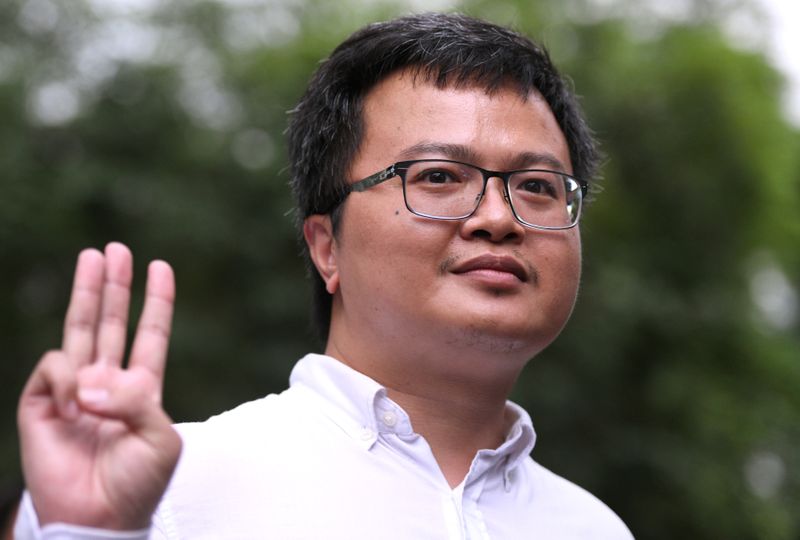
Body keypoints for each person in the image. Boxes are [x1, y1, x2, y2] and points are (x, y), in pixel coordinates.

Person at [15, 12, 634, 539]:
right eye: (439, 177)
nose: (498, 218)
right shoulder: (167, 491)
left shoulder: (593, 527)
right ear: (325, 247)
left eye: (537, 186)